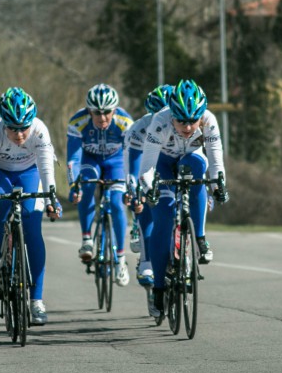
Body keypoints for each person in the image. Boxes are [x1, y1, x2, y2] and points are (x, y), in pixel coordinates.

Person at [138, 79, 230, 317]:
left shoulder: (209, 120)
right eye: (181, 121)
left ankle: (199, 237)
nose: (188, 127)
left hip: (190, 159)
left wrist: (219, 184)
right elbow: (146, 166)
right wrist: (150, 189)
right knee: (164, 218)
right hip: (163, 164)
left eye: (192, 121)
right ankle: (159, 287)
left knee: (198, 169)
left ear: (201, 115)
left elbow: (216, 159)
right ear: (172, 116)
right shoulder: (159, 122)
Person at [0, 87, 61, 325]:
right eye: (12, 128)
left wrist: (51, 199)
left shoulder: (40, 130)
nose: (19, 134)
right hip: (0, 174)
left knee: (33, 230)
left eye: (24, 127)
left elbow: (46, 169)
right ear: (2, 123)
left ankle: (36, 301)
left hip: (29, 173)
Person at [66, 83, 135, 287]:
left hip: (116, 162)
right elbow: (73, 159)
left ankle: (121, 259)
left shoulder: (125, 122)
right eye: (97, 113)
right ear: (89, 110)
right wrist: (73, 185)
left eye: (107, 112)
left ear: (115, 110)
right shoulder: (78, 122)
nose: (103, 118)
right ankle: (87, 239)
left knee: (116, 203)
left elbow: (131, 157)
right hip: (90, 160)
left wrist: (131, 186)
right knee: (86, 185)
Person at [124, 84, 174, 289]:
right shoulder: (139, 129)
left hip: (171, 166)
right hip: (148, 168)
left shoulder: (182, 123)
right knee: (144, 197)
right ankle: (146, 259)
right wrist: (135, 192)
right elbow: (132, 167)